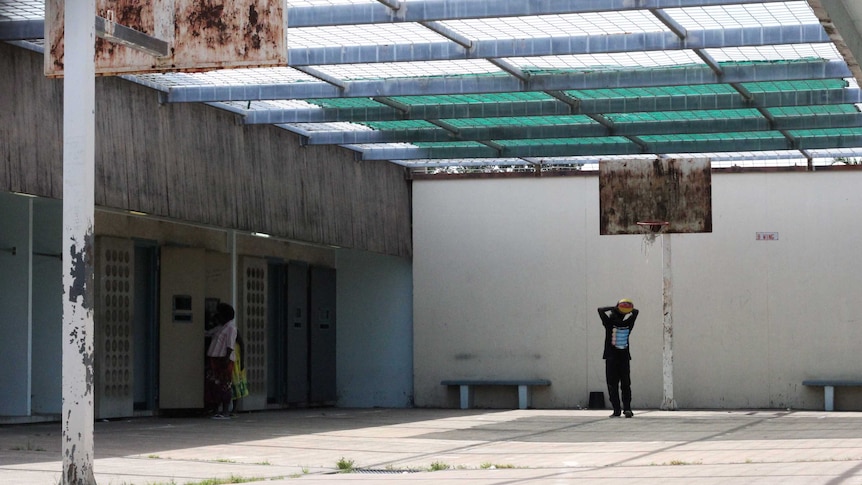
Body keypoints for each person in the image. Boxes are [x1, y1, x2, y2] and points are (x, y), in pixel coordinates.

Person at [598, 298, 639, 418]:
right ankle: (626, 408)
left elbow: (600, 310)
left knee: (613, 385)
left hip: (612, 358)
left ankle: (618, 409)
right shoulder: (628, 323)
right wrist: (626, 310)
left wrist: (615, 307)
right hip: (623, 358)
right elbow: (636, 312)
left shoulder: (609, 323)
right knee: (625, 385)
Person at [205, 303, 237, 419]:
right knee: (215, 384)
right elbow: (207, 333)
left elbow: (230, 345)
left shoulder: (231, 328)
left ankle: (225, 411)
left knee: (225, 384)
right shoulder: (221, 327)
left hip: (223, 358)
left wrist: (226, 358)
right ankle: (216, 409)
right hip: (215, 357)